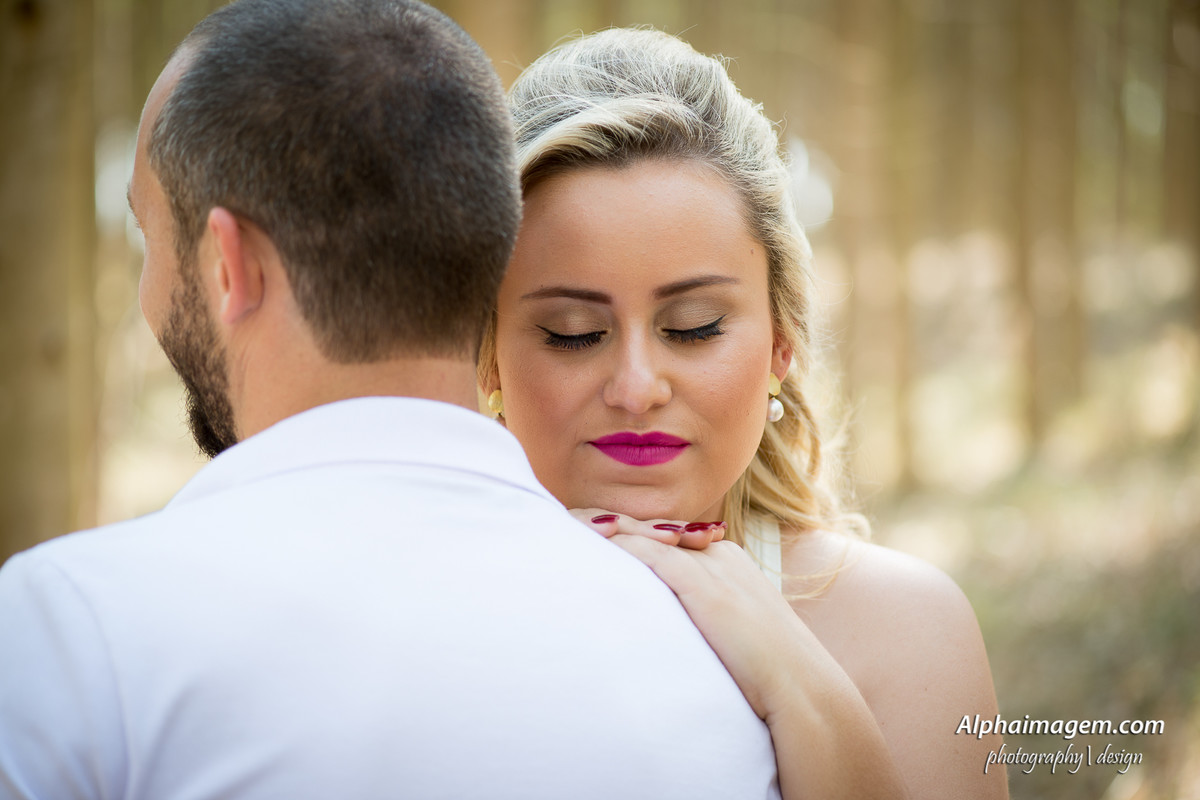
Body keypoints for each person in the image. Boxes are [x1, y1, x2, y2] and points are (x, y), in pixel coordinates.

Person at [0, 5, 782, 798]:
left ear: (229, 264)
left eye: (154, 242)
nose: (637, 388)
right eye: (576, 330)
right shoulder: (718, 664)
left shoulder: (69, 638)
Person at [480, 28, 1009, 799]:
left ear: (781, 344)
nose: (636, 387)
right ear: (490, 357)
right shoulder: (417, 621)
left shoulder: (907, 633)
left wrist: (796, 679)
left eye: (693, 326)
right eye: (573, 334)